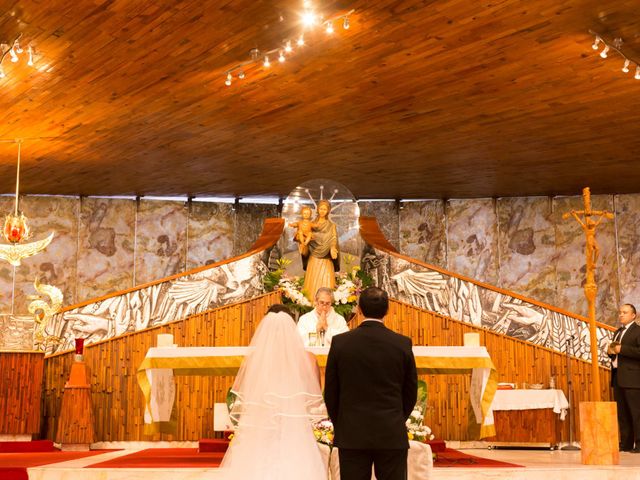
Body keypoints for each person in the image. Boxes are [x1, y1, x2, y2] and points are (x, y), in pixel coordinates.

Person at [220, 309, 327, 479]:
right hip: (296, 427)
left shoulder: (255, 359)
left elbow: (240, 393)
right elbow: (314, 397)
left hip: (263, 424)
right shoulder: (308, 358)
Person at [325, 287, 418, 480]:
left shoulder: (340, 343)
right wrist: (397, 419)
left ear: (359, 309)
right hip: (390, 431)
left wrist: (341, 423)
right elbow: (410, 391)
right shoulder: (401, 343)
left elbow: (331, 392)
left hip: (352, 432)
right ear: (387, 310)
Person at [607, 303, 640, 453]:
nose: (621, 315)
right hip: (618, 377)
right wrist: (611, 352)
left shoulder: (638, 331)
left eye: (625, 312)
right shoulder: (618, 332)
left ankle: (639, 444)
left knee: (636, 413)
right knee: (623, 413)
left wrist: (622, 349)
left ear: (633, 315)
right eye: (620, 312)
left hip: (633, 379)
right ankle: (626, 443)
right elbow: (616, 352)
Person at [302, 199, 339, 301]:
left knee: (327, 283)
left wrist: (332, 247)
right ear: (317, 209)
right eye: (320, 208)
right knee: (312, 283)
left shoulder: (331, 225)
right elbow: (304, 235)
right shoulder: (311, 224)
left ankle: (327, 304)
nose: (322, 211)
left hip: (327, 259)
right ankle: (310, 305)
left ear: (328, 211)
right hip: (314, 257)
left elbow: (333, 238)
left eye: (325, 209)